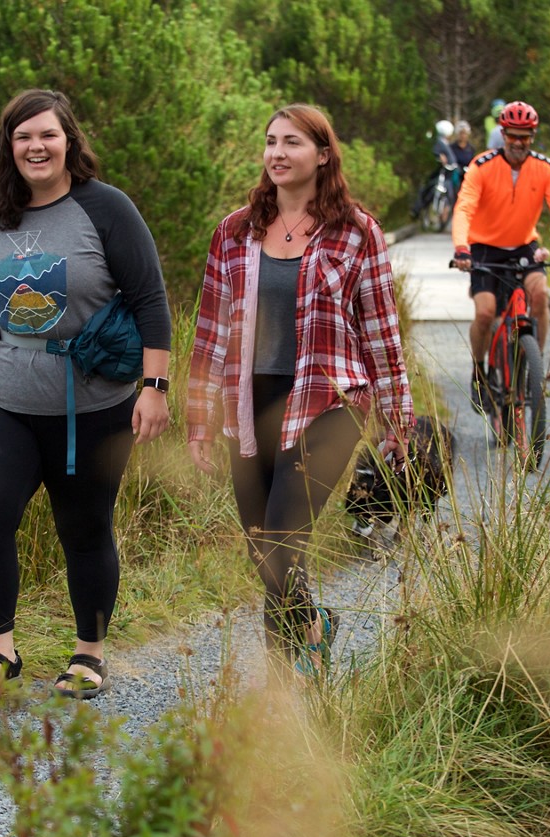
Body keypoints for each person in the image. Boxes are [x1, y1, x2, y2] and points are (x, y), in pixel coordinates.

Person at [0, 89, 173, 702]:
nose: (36, 147)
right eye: (22, 137)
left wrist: (155, 387)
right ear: (8, 147)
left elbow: (149, 298)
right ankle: (1, 651)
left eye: (47, 135)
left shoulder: (106, 208)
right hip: (4, 398)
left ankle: (89, 655)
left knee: (86, 527)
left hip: (94, 406)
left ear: (69, 140)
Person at [186, 104, 413, 677]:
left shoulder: (357, 232)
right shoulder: (234, 232)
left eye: (292, 142)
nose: (278, 153)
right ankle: (311, 627)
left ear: (323, 154)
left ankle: (284, 690)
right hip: (251, 404)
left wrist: (398, 418)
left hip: (330, 400)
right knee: (262, 546)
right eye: (270, 142)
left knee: (285, 537)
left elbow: (382, 330)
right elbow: (210, 332)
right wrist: (198, 420)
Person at [452, 100, 550, 414]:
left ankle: (533, 369)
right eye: (513, 135)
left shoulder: (546, 168)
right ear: (503, 133)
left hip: (524, 246)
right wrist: (461, 248)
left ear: (533, 136)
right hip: (484, 247)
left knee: (538, 294)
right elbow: (464, 207)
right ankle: (479, 372)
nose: (519, 142)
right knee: (486, 313)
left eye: (525, 136)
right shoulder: (482, 166)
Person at [410, 119, 458, 219]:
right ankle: (418, 211)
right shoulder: (438, 143)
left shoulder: (443, 143)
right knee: (429, 190)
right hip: (440, 173)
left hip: (447, 174)